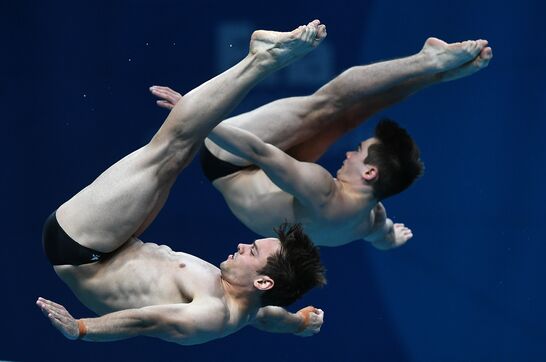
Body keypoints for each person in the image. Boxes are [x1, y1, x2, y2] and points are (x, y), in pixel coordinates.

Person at [36, 20, 328, 345]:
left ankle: (262, 58)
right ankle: (260, 59)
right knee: (179, 152)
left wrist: (82, 329)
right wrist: (297, 322)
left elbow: (144, 321)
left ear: (262, 282)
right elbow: (268, 317)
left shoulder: (210, 314)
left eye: (253, 251)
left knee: (170, 148)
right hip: (119, 243)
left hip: (80, 246)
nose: (244, 245)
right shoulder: (248, 305)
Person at [150, 37, 493, 249]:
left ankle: (428, 62)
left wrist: (195, 115)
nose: (347, 152)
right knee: (347, 116)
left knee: (324, 105)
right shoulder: (370, 220)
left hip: (230, 160)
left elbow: (257, 150)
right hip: (270, 178)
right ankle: (438, 74)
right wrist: (393, 239)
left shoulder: (322, 190)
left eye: (358, 153)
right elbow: (385, 238)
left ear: (371, 173)